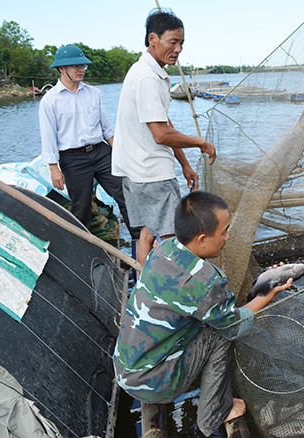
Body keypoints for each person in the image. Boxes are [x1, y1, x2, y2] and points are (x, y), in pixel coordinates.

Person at [113, 191, 292, 436]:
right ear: (202, 239)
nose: (228, 237)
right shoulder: (206, 283)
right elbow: (235, 326)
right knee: (221, 333)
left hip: (126, 370)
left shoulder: (163, 249)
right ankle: (214, 413)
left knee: (214, 321)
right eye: (224, 231)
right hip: (153, 385)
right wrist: (266, 296)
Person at [112, 9, 217, 265]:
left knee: (147, 232)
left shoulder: (153, 72)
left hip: (136, 169)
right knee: (174, 237)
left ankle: (142, 288)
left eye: (181, 43)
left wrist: (184, 163)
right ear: (152, 40)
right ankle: (167, 294)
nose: (178, 49)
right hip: (150, 172)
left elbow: (164, 123)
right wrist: (201, 143)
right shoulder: (147, 77)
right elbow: (160, 135)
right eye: (173, 42)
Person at [39, 45, 137, 238]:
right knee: (81, 209)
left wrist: (121, 154)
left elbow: (106, 128)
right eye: (75, 66)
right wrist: (53, 168)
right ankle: (85, 253)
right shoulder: (50, 101)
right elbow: (48, 136)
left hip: (101, 152)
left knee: (127, 196)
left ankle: (139, 242)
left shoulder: (94, 93)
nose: (81, 70)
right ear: (61, 69)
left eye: (83, 65)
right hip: (73, 159)